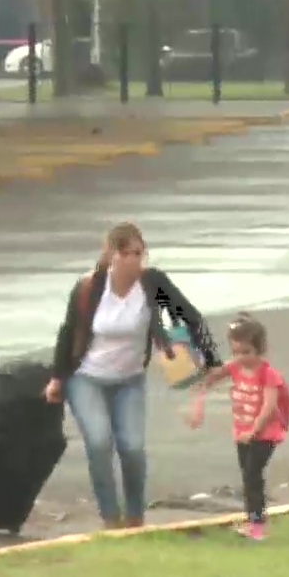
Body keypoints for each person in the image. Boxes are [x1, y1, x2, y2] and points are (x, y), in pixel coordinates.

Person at [45, 223, 218, 530]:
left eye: (141, 253)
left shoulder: (152, 284)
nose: (138, 260)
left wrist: (211, 358)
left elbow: (188, 314)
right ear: (113, 255)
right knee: (99, 441)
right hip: (87, 378)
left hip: (129, 379)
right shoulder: (90, 288)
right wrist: (57, 378)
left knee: (132, 447)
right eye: (130, 254)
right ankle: (110, 518)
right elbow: (68, 332)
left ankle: (135, 517)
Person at [188, 315, 289, 542]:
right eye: (236, 352)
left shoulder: (267, 374)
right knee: (248, 476)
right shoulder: (234, 367)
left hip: (264, 433)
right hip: (242, 432)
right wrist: (196, 374)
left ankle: (257, 524)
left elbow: (269, 406)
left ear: (259, 349)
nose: (240, 358)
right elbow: (211, 376)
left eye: (246, 352)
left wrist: (254, 431)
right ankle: (253, 519)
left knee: (253, 475)